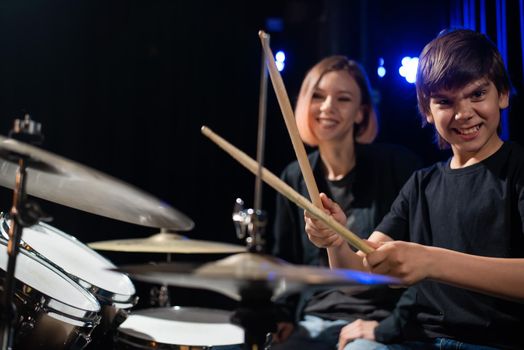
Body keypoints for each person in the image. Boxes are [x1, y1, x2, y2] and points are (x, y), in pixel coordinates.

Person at [304, 28, 524, 350]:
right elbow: (362, 274)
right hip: (425, 341)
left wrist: (432, 262)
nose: (463, 113)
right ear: (427, 110)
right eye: (445, 102)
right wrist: (336, 240)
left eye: (477, 94)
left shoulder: (518, 169)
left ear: (502, 94)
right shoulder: (422, 184)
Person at [270, 55, 422, 349]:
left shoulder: (399, 166)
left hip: (380, 317)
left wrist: (389, 327)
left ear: (361, 113)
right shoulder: (293, 176)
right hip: (315, 316)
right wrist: (283, 316)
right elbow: (285, 259)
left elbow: (421, 260)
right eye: (318, 96)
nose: (327, 107)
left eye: (342, 99)